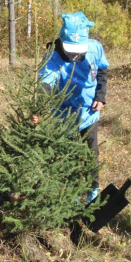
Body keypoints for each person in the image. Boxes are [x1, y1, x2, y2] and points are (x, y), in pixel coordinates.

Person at [37, 11, 110, 203]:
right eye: (70, 48)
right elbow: (45, 82)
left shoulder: (95, 48)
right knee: (67, 153)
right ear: (62, 40)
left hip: (89, 110)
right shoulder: (54, 56)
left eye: (78, 48)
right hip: (64, 113)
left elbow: (102, 71)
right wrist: (39, 107)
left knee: (91, 151)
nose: (75, 53)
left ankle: (93, 189)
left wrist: (100, 97)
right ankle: (71, 192)